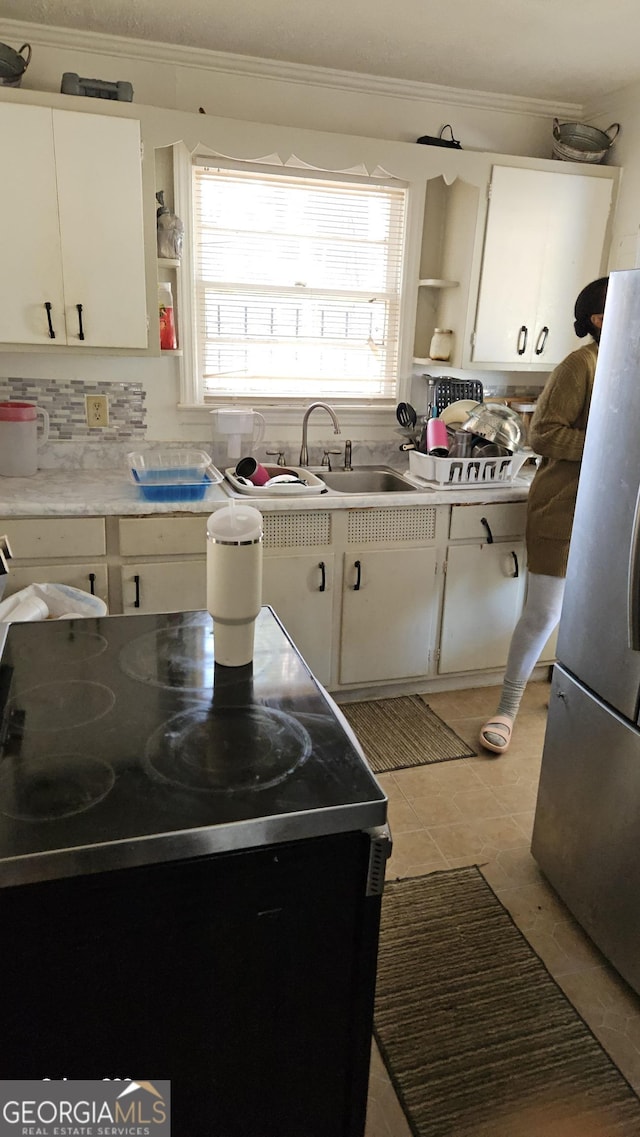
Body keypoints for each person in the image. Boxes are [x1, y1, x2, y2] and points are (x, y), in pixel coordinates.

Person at [479, 275, 609, 755]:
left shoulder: (628, 365)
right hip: (563, 508)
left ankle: (575, 693)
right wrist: (607, 446)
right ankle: (507, 710)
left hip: (612, 516)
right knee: (543, 613)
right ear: (599, 319)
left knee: (595, 615)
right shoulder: (581, 366)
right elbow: (544, 435)